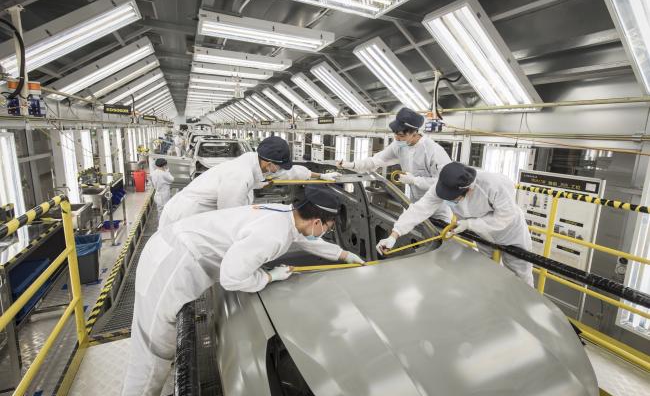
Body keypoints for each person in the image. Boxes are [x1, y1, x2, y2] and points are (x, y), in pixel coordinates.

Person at [120, 186, 364, 396]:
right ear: (317, 222)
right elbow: (231, 277)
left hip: (168, 247)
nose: (326, 232)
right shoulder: (273, 235)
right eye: (328, 228)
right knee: (152, 353)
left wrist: (342, 255)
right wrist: (269, 276)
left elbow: (301, 237)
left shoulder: (284, 214)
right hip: (171, 265)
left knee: (152, 345)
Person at [376, 162, 534, 286]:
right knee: (486, 268)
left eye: (453, 199)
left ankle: (524, 310)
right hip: (481, 233)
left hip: (510, 232)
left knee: (520, 273)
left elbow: (505, 217)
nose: (449, 202)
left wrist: (470, 224)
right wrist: (394, 234)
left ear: (469, 190)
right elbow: (419, 209)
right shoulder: (443, 184)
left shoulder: (494, 184)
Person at [158, 136, 341, 228]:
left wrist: (320, 176)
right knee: (180, 264)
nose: (280, 171)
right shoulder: (240, 175)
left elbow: (290, 172)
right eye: (279, 166)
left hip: (198, 215)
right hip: (185, 216)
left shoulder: (258, 163)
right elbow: (229, 218)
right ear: (269, 164)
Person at [337, 107, 452, 220]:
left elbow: (446, 184)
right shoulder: (399, 146)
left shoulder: (433, 151)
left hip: (438, 212)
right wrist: (352, 165)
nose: (397, 138)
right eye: (395, 134)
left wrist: (414, 180)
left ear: (414, 132)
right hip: (416, 208)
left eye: (401, 135)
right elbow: (376, 160)